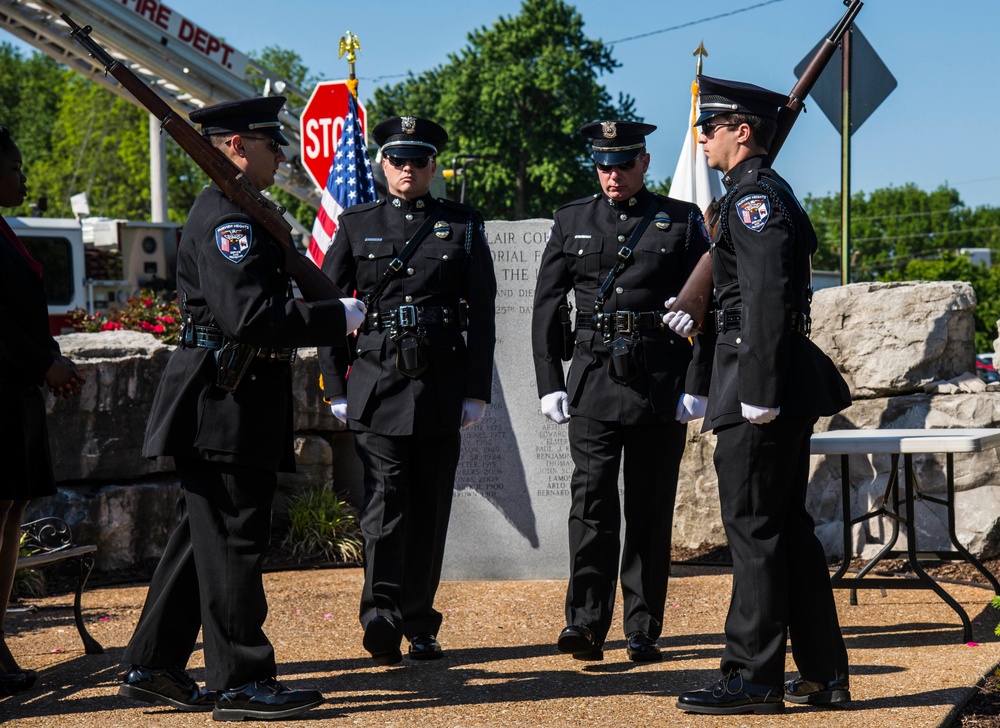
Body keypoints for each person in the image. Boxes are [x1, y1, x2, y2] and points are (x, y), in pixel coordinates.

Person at [119, 97, 366, 721]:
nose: (280, 154)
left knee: (201, 542)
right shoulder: (228, 218)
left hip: (227, 400)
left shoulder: (242, 213)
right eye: (269, 143)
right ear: (234, 146)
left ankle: (152, 666)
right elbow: (250, 316)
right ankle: (240, 680)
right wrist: (336, 315)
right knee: (233, 541)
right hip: (223, 402)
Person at [666, 75, 852, 715]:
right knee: (787, 531)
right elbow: (730, 300)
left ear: (742, 132)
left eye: (712, 127)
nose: (702, 137)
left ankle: (753, 677)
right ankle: (823, 673)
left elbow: (769, 297)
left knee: (754, 532)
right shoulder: (756, 195)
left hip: (758, 383)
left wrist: (759, 390)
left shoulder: (755, 200)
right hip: (754, 378)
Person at [531, 120, 714, 662]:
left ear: (644, 163)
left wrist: (697, 383)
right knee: (590, 504)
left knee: (649, 509)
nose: (613, 175)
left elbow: (711, 303)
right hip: (591, 380)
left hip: (659, 382)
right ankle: (585, 623)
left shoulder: (680, 220)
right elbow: (547, 306)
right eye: (604, 165)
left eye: (623, 164)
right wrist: (548, 382)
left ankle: (643, 626)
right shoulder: (571, 220)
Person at [318, 116, 496, 665]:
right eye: (398, 159)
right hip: (377, 384)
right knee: (384, 502)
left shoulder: (462, 224)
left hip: (441, 386)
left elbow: (484, 312)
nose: (407, 170)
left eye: (419, 161)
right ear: (382, 163)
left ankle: (420, 622)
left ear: (432, 166)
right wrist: (335, 385)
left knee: (429, 509)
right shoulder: (355, 222)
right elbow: (328, 308)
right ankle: (380, 614)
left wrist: (476, 391)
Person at [0, 123, 84, 696]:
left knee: (11, 512)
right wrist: (44, 365)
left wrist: (50, 361)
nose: (23, 175)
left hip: (15, 393)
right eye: (16, 166)